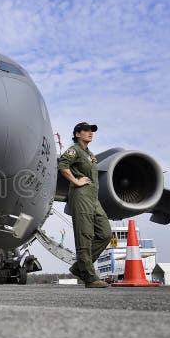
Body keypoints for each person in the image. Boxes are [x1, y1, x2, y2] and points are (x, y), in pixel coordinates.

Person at [58, 122, 111, 289]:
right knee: (85, 237)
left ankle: (79, 267)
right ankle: (90, 278)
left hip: (93, 199)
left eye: (92, 131)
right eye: (86, 130)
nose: (90, 133)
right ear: (77, 134)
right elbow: (62, 165)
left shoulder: (90, 154)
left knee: (105, 234)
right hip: (81, 197)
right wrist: (75, 180)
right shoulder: (74, 150)